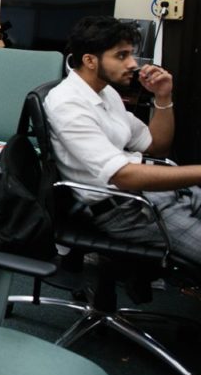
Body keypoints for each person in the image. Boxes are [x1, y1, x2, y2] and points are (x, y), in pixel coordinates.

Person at [45, 15, 201, 265]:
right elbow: (123, 176)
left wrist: (162, 97)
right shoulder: (68, 103)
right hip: (124, 210)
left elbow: (156, 146)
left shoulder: (107, 93)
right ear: (89, 61)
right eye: (121, 56)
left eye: (131, 54)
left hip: (149, 194)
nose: (133, 64)